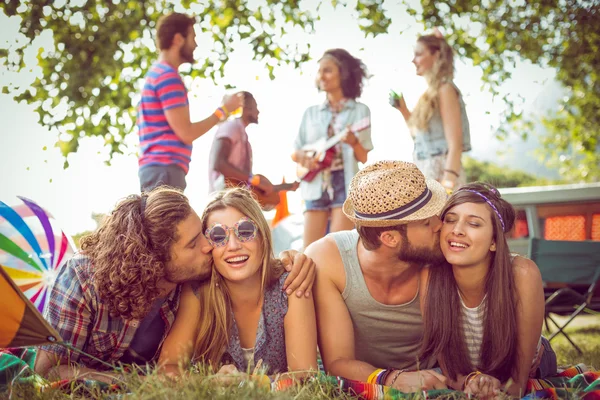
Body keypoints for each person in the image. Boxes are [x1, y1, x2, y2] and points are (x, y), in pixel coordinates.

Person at [34, 187, 316, 383]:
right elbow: (47, 373)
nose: (211, 246)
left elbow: (306, 376)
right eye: (202, 240)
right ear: (154, 261)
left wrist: (292, 258)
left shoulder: (193, 281)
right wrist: (132, 382)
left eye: (244, 230)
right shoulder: (83, 280)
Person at [307, 161, 449, 392]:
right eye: (426, 222)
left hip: (437, 377)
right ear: (390, 238)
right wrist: (394, 379)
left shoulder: (438, 256)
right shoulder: (330, 260)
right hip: (370, 382)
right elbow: (338, 362)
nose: (440, 225)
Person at [159, 188, 318, 381]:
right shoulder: (198, 292)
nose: (233, 246)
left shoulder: (291, 285)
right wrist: (210, 384)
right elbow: (167, 367)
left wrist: (247, 383)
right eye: (218, 236)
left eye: (245, 231)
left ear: (263, 236)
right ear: (207, 246)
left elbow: (305, 376)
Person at [420, 182, 557, 398]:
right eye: (450, 220)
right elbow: (448, 365)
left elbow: (517, 384)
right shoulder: (431, 277)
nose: (457, 230)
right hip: (467, 366)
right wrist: (471, 381)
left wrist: (510, 385)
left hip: (528, 364)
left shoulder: (522, 273)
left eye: (473, 224)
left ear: (494, 241)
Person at [137, 12, 243, 193]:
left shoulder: (156, 74)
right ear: (178, 39)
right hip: (165, 171)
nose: (195, 44)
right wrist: (223, 111)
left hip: (159, 170)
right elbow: (186, 133)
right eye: (193, 37)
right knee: (169, 222)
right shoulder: (167, 77)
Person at [292, 48, 373, 249]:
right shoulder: (310, 113)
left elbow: (363, 157)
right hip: (314, 184)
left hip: (344, 185)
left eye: (327, 70)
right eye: (319, 71)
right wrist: (303, 156)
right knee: (308, 252)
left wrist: (354, 142)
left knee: (338, 250)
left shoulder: (360, 111)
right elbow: (295, 152)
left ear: (343, 73)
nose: (321, 76)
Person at [392, 29, 471, 194]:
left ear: (436, 56)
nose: (413, 60)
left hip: (443, 175)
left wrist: (447, 187)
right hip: (426, 172)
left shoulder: (445, 89)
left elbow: (455, 145)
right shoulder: (429, 94)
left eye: (419, 54)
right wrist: (403, 110)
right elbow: (419, 137)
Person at [208, 92, 276, 197]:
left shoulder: (242, 134)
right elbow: (219, 164)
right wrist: (254, 180)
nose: (258, 111)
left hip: (234, 195)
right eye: (254, 107)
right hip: (223, 196)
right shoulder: (231, 127)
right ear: (245, 108)